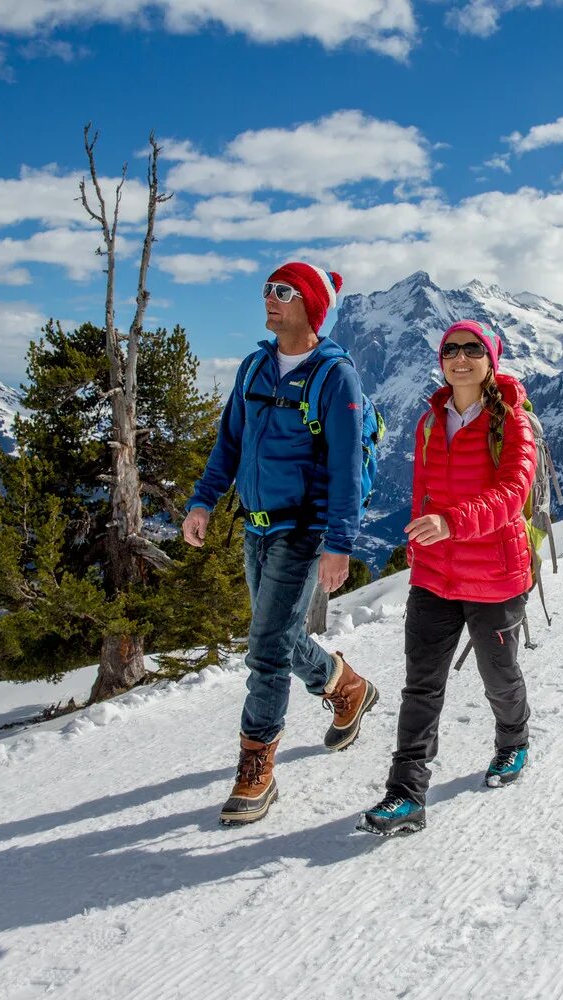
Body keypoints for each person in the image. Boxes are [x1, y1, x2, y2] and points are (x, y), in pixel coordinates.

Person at [182, 261, 379, 826]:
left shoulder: (334, 377)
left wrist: (339, 543)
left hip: (303, 530)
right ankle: (346, 687)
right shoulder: (254, 367)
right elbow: (229, 445)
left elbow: (343, 468)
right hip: (255, 526)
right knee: (282, 636)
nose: (270, 298)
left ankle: (256, 768)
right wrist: (203, 500)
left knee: (266, 650)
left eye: (284, 291)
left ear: (312, 306)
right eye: (267, 289)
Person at [358, 320, 538, 837]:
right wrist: (421, 544)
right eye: (450, 350)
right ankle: (405, 793)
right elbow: (423, 492)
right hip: (435, 576)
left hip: (495, 576)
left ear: (491, 359)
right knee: (421, 686)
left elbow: (512, 496)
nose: (460, 358)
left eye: (472, 350)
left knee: (499, 676)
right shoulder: (430, 423)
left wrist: (451, 523)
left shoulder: (514, 423)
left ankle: (513, 742)